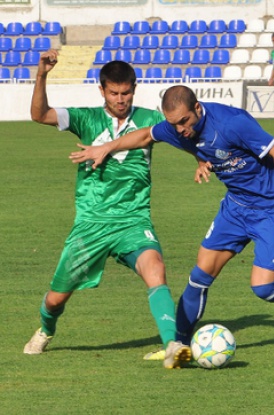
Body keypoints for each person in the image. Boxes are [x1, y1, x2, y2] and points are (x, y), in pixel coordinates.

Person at [69, 85, 274, 353]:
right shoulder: (176, 126)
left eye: (184, 122)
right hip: (235, 207)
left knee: (263, 287)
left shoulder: (231, 124)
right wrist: (107, 147)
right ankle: (178, 345)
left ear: (197, 108)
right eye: (173, 124)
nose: (179, 130)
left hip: (273, 208)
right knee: (199, 276)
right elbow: (145, 136)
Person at [23, 50, 191, 369]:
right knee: (56, 299)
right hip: (91, 224)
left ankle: (172, 344)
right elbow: (39, 114)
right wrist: (42, 74)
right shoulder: (85, 118)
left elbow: (186, 134)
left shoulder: (150, 121)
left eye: (125, 92)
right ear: (102, 91)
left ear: (134, 89)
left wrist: (201, 161)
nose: (120, 99)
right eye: (113, 93)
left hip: (132, 219)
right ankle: (45, 330)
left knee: (155, 268)